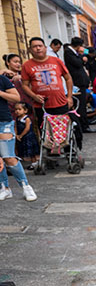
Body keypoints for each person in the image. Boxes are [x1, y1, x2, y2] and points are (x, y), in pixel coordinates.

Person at [20, 37, 84, 151]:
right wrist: (34, 96)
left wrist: (69, 97)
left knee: (65, 128)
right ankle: (51, 153)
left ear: (45, 47)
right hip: (41, 105)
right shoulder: (27, 65)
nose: (38, 48)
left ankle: (69, 151)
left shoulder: (56, 61)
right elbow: (24, 85)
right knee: (46, 130)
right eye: (34, 46)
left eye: (40, 45)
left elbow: (68, 79)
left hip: (60, 102)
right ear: (30, 50)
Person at [0, 67, 36, 202]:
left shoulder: (2, 80)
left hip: (3, 122)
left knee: (8, 157)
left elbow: (16, 97)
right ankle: (4, 188)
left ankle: (26, 186)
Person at [64, 38, 96, 133]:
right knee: (81, 105)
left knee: (83, 105)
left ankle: (84, 124)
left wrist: (84, 53)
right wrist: (82, 57)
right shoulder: (69, 52)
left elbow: (90, 53)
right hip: (78, 82)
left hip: (82, 82)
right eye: (81, 46)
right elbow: (78, 63)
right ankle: (83, 125)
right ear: (78, 46)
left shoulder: (76, 52)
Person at [13, 102, 39, 169]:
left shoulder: (27, 119)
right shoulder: (17, 119)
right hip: (21, 137)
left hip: (28, 137)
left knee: (31, 151)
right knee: (21, 149)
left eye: (19, 109)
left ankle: (34, 163)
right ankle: (20, 163)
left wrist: (21, 135)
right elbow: (15, 127)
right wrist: (16, 135)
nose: (17, 111)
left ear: (25, 110)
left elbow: (27, 128)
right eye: (16, 109)